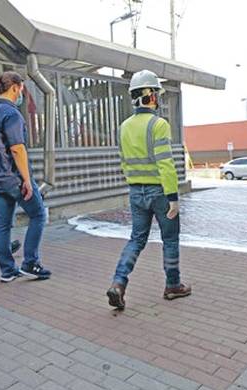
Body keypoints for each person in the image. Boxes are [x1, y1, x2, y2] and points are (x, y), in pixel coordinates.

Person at [106, 70, 191, 310]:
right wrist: (173, 198)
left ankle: (118, 283)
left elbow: (124, 162)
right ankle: (173, 285)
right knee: (170, 239)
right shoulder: (158, 124)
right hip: (160, 193)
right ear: (151, 96)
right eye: (156, 93)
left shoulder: (123, 127)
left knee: (136, 239)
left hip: (136, 192)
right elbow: (166, 163)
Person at [0, 71, 51, 283]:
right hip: (14, 178)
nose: (21, 93)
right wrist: (27, 180)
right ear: (14, 88)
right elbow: (17, 149)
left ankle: (7, 270)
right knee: (38, 214)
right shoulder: (11, 114)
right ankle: (30, 262)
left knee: (3, 225)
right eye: (21, 89)